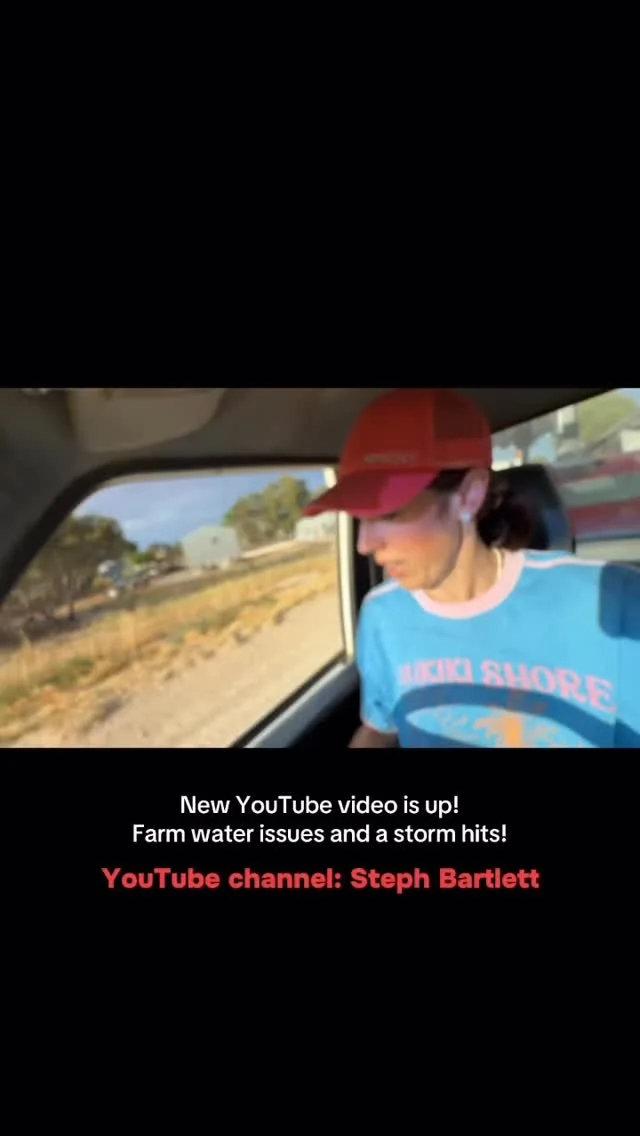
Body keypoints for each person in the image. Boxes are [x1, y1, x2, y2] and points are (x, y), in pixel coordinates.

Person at [303, 388, 640, 749]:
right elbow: (379, 730)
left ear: (469, 495)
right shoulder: (382, 616)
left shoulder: (614, 601)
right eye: (358, 518)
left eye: (389, 514)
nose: (364, 545)